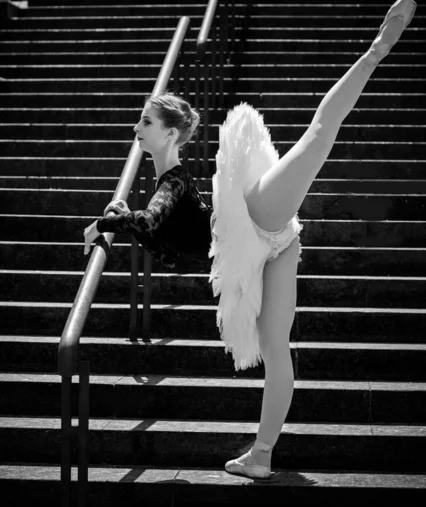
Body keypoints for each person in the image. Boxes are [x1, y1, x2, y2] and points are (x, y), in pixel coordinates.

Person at [84, 0, 417, 480]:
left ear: (172, 135)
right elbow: (161, 236)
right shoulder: (161, 188)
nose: (136, 129)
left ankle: (377, 48)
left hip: (253, 217)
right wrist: (120, 215)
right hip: (268, 252)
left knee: (318, 135)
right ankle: (261, 454)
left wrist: (105, 225)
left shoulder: (172, 182)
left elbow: (153, 223)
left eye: (146, 123)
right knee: (275, 350)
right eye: (140, 121)